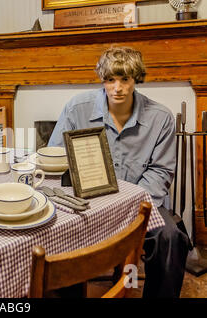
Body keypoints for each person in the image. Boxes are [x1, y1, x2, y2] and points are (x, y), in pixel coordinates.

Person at [47, 46, 190, 298]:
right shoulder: (76, 108)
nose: (117, 87)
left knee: (171, 238)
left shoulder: (161, 118)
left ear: (136, 78)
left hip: (141, 206)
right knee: (57, 233)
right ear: (102, 80)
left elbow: (160, 173)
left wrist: (124, 206)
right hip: (87, 204)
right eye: (110, 79)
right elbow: (55, 157)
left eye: (125, 79)